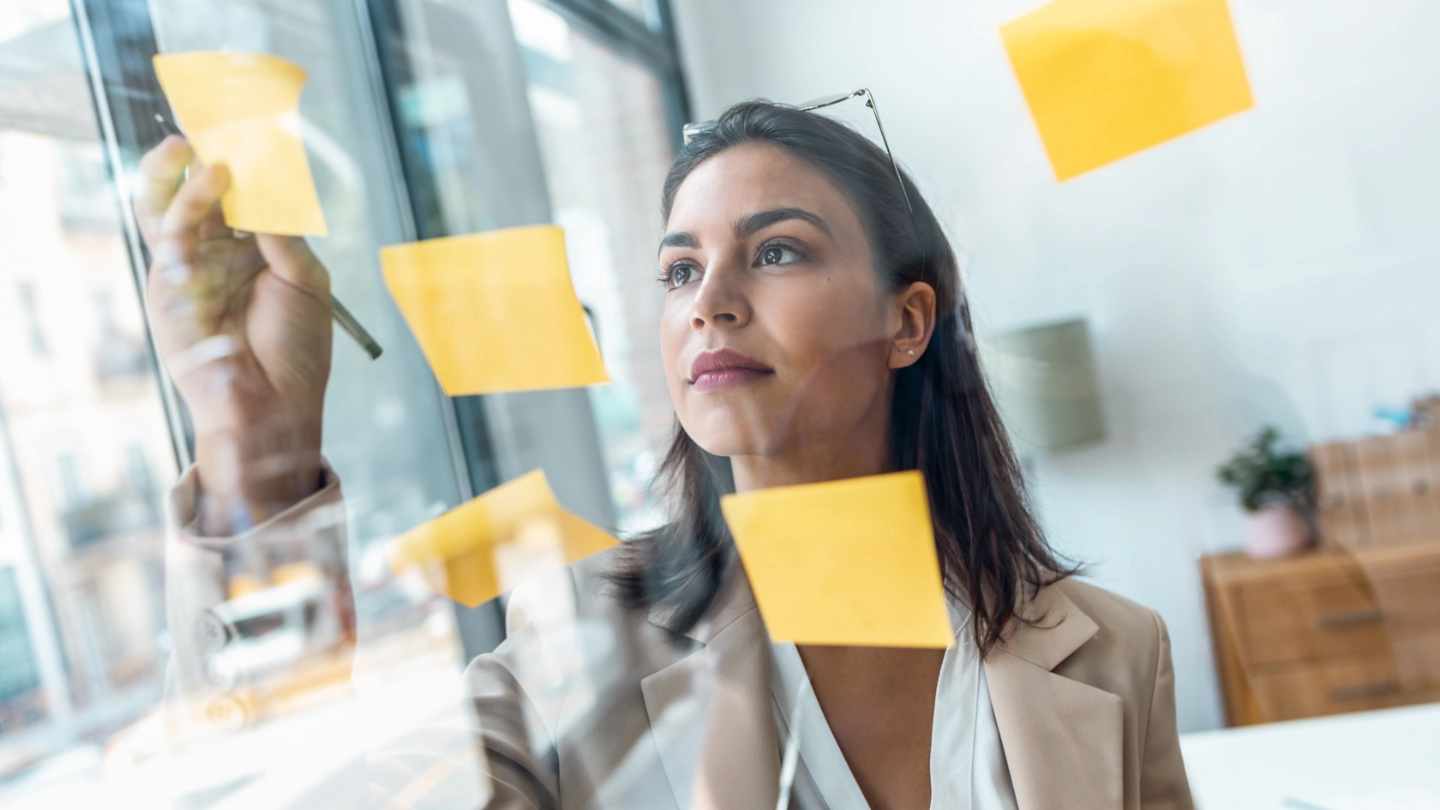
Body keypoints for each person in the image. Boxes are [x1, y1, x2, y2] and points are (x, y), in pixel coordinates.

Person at [136, 100, 1193, 810]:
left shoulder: (1112, 650)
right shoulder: (581, 639)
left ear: (906, 323)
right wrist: (249, 449)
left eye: (776, 252)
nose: (712, 305)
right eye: (679, 271)